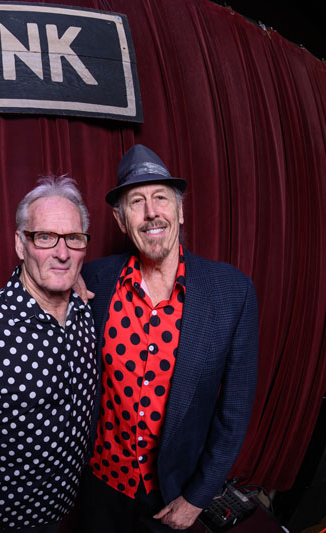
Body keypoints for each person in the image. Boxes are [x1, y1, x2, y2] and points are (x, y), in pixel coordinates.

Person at [77, 145, 258, 532]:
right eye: (136, 202)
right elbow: (37, 284)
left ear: (179, 210)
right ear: (120, 220)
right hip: (99, 485)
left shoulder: (232, 292)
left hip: (174, 493)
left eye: (160, 197)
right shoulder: (93, 280)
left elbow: (235, 411)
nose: (151, 212)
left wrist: (198, 497)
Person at [0, 177, 99, 533]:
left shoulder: (87, 310)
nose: (62, 252)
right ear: (20, 244)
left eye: (73, 238)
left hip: (60, 508)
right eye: (45, 237)